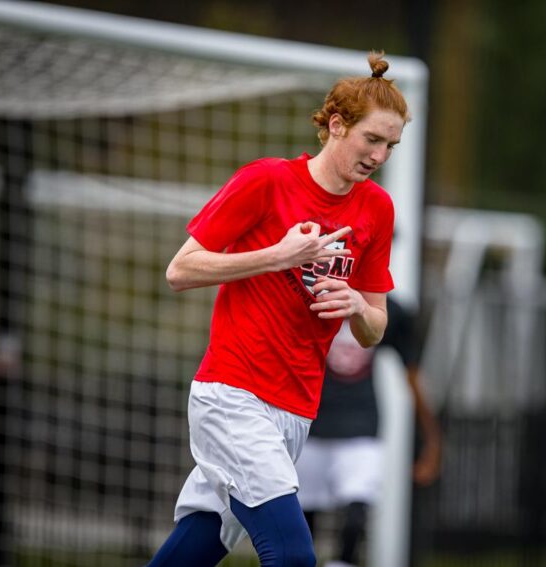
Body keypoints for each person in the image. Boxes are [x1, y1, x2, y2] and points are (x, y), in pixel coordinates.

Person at [146, 50, 409, 567]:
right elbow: (181, 270)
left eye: (390, 146)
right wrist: (278, 256)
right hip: (232, 397)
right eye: (371, 139)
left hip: (295, 411)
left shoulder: (377, 208)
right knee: (292, 556)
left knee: (198, 543)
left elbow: (375, 328)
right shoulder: (267, 181)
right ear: (336, 125)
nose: (379, 156)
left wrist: (356, 303)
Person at [295, 296, 442, 567]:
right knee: (302, 520)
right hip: (309, 423)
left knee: (356, 516)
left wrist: (432, 440)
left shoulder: (388, 309)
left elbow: (411, 375)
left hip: (360, 426)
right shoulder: (309, 295)